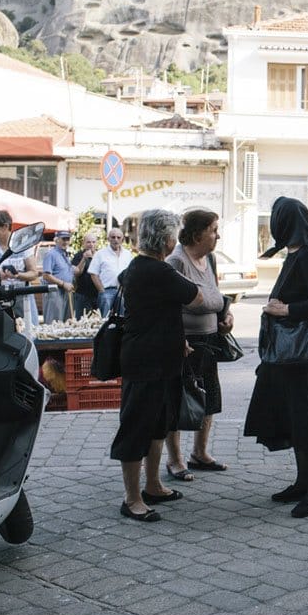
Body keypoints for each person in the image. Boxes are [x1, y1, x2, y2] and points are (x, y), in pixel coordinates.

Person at [244, 197, 308, 519]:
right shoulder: (298, 253)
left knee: (307, 417)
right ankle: (302, 483)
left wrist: (286, 309)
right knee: (296, 417)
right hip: (290, 351)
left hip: (300, 352)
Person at [111, 210, 203, 522]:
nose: (176, 241)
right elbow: (197, 296)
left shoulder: (139, 267)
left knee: (158, 425)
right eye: (174, 235)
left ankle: (152, 486)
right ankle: (132, 498)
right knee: (137, 427)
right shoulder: (157, 270)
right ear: (165, 239)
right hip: (147, 361)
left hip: (162, 359)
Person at [165, 209, 233, 479]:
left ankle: (200, 453)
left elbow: (216, 298)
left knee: (209, 396)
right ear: (197, 234)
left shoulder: (211, 259)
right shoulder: (177, 261)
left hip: (209, 339)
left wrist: (225, 316)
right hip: (185, 342)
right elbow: (176, 304)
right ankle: (175, 460)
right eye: (214, 230)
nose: (218, 235)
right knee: (181, 398)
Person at [0, 211, 39, 330]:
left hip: (22, 296)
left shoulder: (23, 246)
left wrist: (18, 275)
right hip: (1, 297)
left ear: (5, 226)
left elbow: (34, 273)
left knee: (29, 331)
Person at [89, 228, 133, 317]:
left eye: (118, 237)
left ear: (122, 239)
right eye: (113, 237)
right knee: (104, 319)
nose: (115, 240)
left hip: (123, 292)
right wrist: (102, 290)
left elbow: (131, 272)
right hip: (106, 291)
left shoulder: (128, 254)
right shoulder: (100, 254)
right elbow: (93, 273)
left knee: (122, 319)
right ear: (108, 239)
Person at [40, 230, 75, 324]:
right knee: (54, 323)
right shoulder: (51, 254)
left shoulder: (65, 254)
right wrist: (63, 284)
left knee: (66, 323)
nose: (66, 242)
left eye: (67, 239)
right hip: (54, 292)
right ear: (56, 240)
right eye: (63, 239)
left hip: (66, 291)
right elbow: (46, 275)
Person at [71, 232, 100, 318]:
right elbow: (76, 273)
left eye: (93, 242)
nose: (91, 244)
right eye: (88, 242)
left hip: (98, 294)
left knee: (98, 321)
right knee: (80, 321)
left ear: (97, 243)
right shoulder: (78, 256)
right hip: (82, 294)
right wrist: (84, 259)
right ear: (84, 243)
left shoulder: (101, 255)